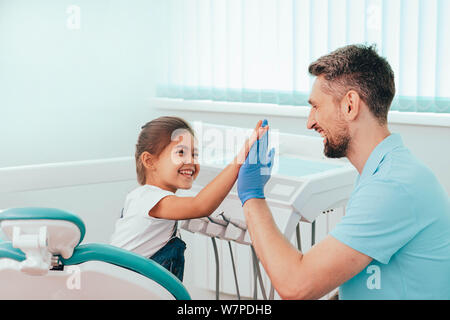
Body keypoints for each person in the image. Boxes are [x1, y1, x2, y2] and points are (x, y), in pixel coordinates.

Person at [237, 44, 450, 300]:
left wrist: (252, 196)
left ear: (350, 105)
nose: (310, 122)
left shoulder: (392, 186)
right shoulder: (382, 170)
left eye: (316, 107)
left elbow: (295, 286)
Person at [110, 116, 268, 281]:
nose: (191, 161)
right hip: (119, 287)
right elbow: (200, 205)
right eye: (180, 152)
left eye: (195, 154)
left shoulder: (143, 196)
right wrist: (241, 157)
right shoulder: (150, 198)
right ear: (149, 161)